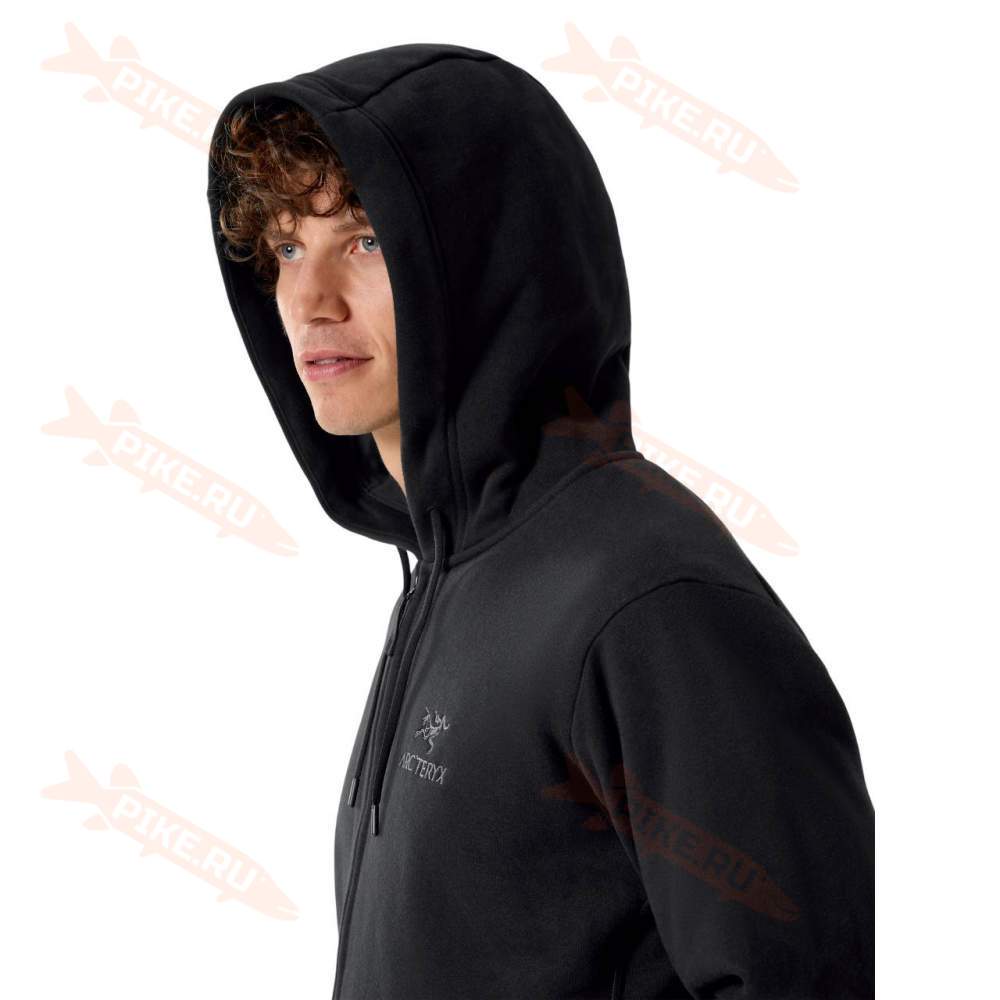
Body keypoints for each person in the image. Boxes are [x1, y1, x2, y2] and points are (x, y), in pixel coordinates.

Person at [206, 42, 875, 1000]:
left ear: (492, 262)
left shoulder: (650, 599)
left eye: (365, 240)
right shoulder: (451, 579)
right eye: (284, 249)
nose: (308, 302)